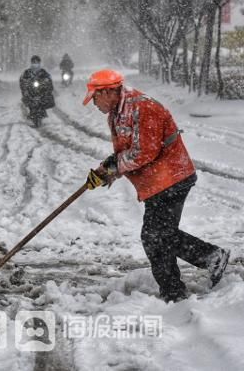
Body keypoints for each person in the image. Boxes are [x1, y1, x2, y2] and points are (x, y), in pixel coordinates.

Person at [83, 69, 229, 303]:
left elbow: (144, 152)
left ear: (109, 92)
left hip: (173, 177)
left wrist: (114, 168)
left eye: (95, 97)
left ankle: (185, 281)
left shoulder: (143, 108)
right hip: (156, 182)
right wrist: (105, 171)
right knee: (158, 235)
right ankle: (193, 272)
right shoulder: (117, 114)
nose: (94, 104)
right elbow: (125, 152)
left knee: (155, 235)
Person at [19, 55, 55, 126]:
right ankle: (32, 111)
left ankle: (42, 111)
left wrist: (46, 83)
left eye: (37, 62)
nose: (35, 63)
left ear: (39, 63)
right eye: (34, 62)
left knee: (48, 98)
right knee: (27, 98)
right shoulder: (27, 72)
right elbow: (22, 80)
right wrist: (25, 84)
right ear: (31, 63)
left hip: (41, 91)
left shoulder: (43, 72)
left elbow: (49, 79)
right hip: (31, 92)